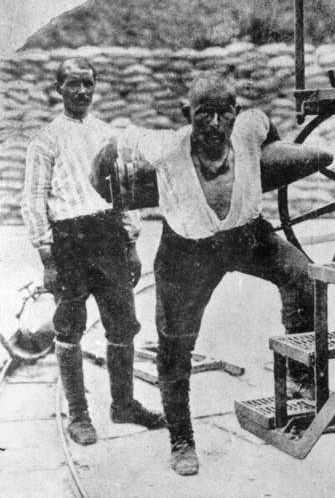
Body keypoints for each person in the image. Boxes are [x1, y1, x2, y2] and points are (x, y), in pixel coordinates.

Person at [95, 74, 315, 476]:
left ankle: (301, 380)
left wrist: (272, 153)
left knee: (302, 275)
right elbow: (121, 140)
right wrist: (105, 183)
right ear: (187, 114)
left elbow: (262, 121)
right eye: (203, 114)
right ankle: (181, 439)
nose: (214, 124)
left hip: (247, 238)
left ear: (234, 113)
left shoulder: (247, 131)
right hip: (186, 251)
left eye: (222, 113)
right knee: (174, 346)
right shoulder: (165, 146)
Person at [21, 57, 166, 446]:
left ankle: (124, 405)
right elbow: (34, 202)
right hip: (68, 241)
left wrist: (132, 244)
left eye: (87, 83)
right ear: (59, 89)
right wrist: (47, 258)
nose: (81, 91)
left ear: (95, 86)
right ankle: (80, 416)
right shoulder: (45, 141)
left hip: (109, 237)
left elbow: (124, 194)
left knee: (123, 322)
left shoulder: (107, 135)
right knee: (69, 325)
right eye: (73, 84)